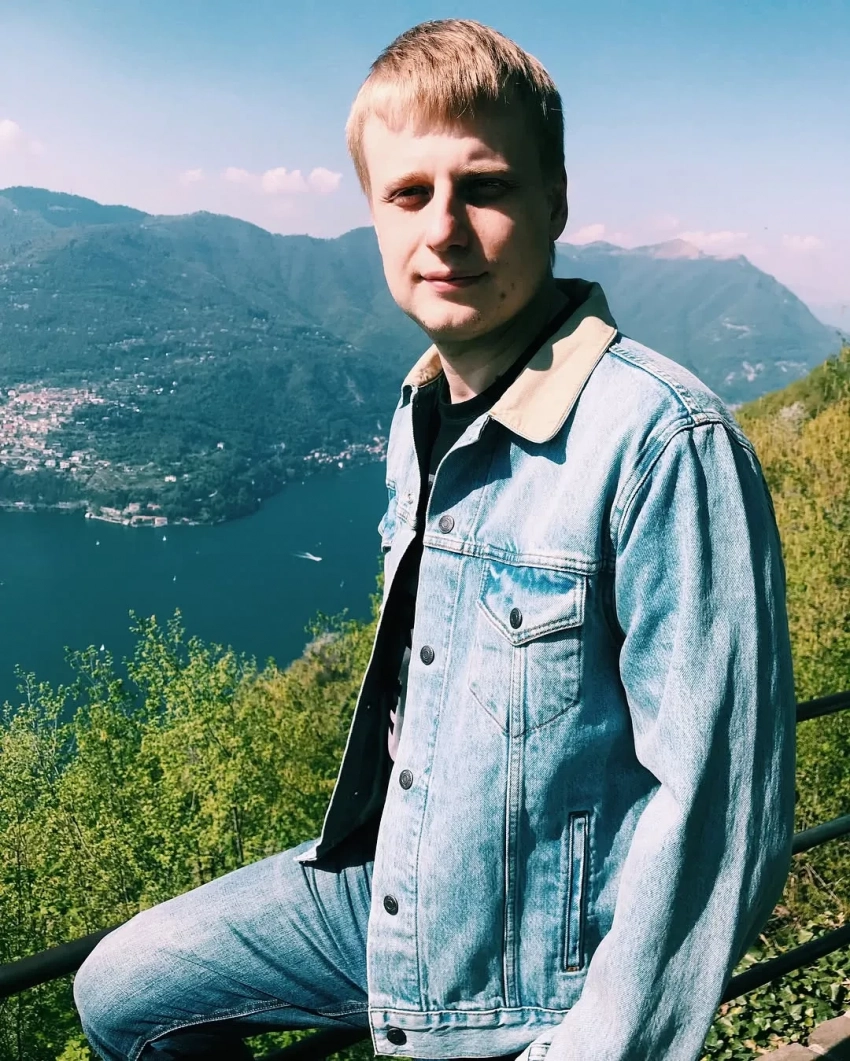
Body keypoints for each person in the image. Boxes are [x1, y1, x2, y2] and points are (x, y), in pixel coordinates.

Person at [73, 18, 796, 1061]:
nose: (443, 228)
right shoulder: (420, 409)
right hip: (400, 883)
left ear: (555, 201)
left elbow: (719, 823)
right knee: (124, 987)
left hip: (541, 960)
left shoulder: (661, 442)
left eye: (484, 187)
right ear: (373, 216)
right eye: (407, 194)